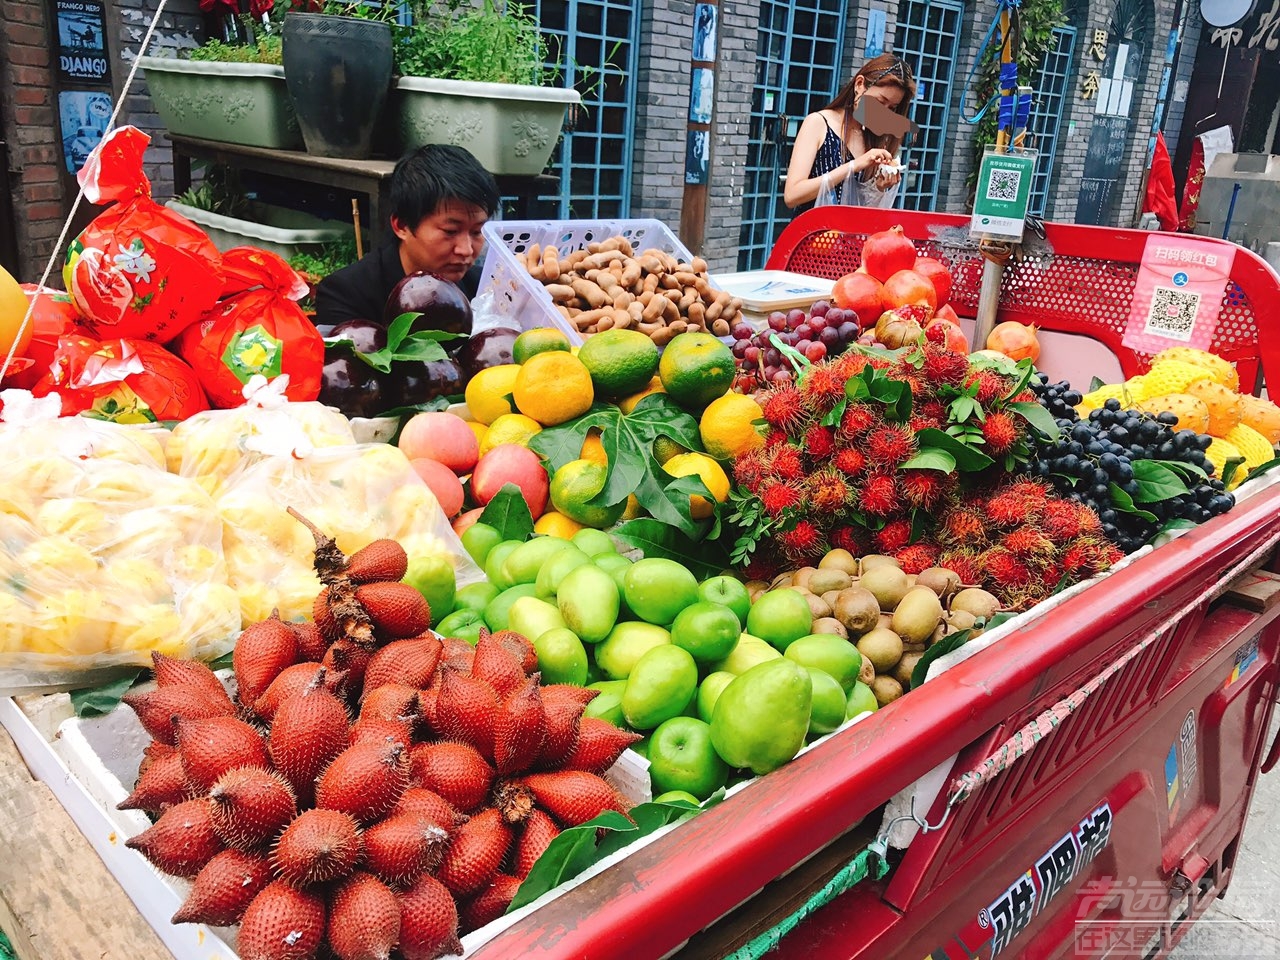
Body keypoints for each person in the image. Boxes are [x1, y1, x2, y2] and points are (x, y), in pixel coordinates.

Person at [314, 143, 500, 331]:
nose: (466, 250)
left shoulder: (485, 289)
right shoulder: (347, 294)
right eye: (450, 231)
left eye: (477, 232)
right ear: (402, 225)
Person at [783, 53, 918, 209]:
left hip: (850, 233)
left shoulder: (878, 138)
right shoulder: (819, 123)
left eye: (892, 108)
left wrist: (879, 188)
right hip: (814, 232)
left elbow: (860, 209)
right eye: (880, 102)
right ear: (859, 84)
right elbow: (792, 195)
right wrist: (853, 166)